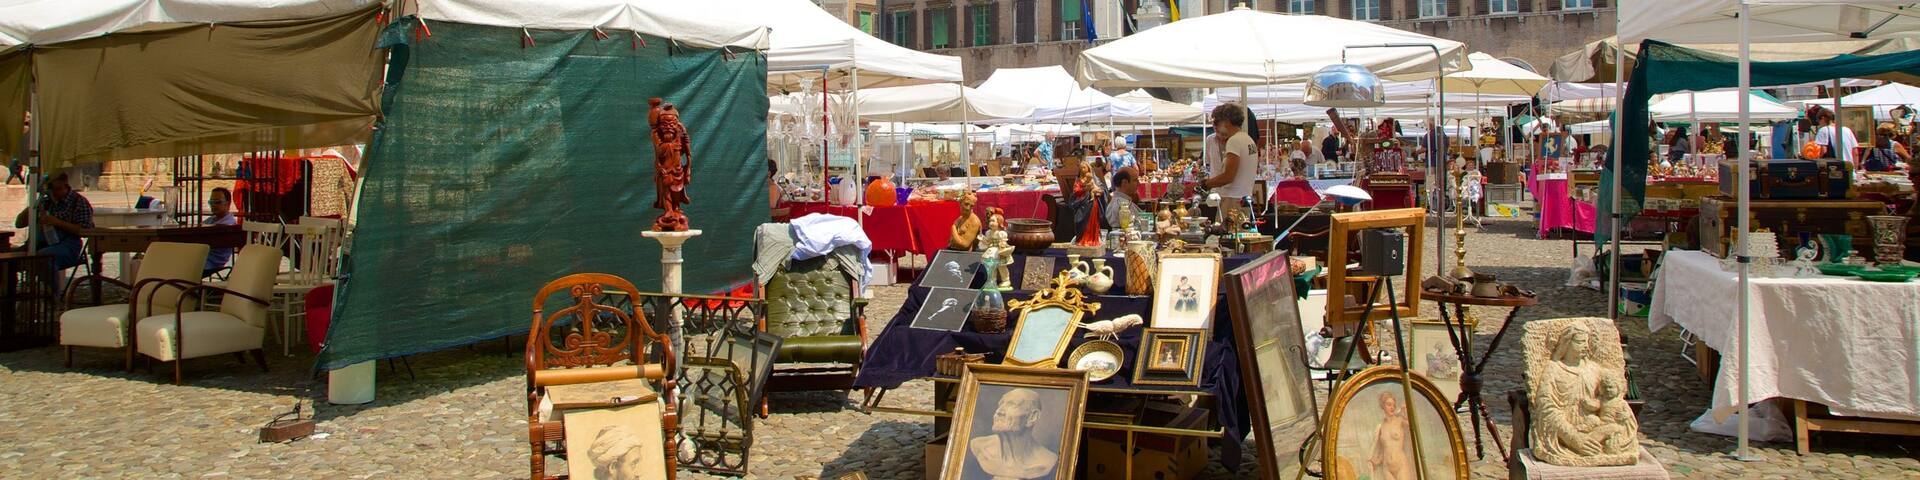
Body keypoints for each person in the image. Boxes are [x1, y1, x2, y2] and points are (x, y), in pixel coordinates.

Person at [968, 388, 1059, 479]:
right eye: (1000, 404)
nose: (999, 411)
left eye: (1011, 405)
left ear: (1032, 417)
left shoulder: (1047, 461)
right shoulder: (980, 447)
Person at [15, 173, 93, 271]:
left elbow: (85, 230)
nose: (54, 193)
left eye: (58, 189)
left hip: (67, 245)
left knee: (43, 258)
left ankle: (50, 286)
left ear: (65, 185)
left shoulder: (79, 202)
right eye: (51, 190)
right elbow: (19, 224)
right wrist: (33, 207)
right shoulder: (46, 201)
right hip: (41, 244)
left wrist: (57, 222)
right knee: (8, 258)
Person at [1200, 102, 1258, 217]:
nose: (1215, 126)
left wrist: (1205, 184)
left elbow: (1229, 176)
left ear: (1225, 121)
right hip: (1244, 197)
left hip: (1232, 199)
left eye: (1216, 122)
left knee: (1227, 233)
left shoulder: (1234, 141)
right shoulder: (1248, 139)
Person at [1369, 392, 1417, 480]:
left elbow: (1413, 426)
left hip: (1400, 465)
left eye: (1394, 405)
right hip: (1386, 468)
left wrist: (1405, 412)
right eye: (1389, 404)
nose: (1392, 407)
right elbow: (1383, 450)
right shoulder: (1381, 426)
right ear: (1383, 406)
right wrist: (1376, 461)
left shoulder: (1400, 421)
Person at [202, 188, 239, 277]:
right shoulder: (212, 220)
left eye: (218, 202)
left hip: (209, 263)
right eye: (211, 202)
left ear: (228, 203)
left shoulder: (228, 225)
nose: (213, 205)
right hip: (202, 260)